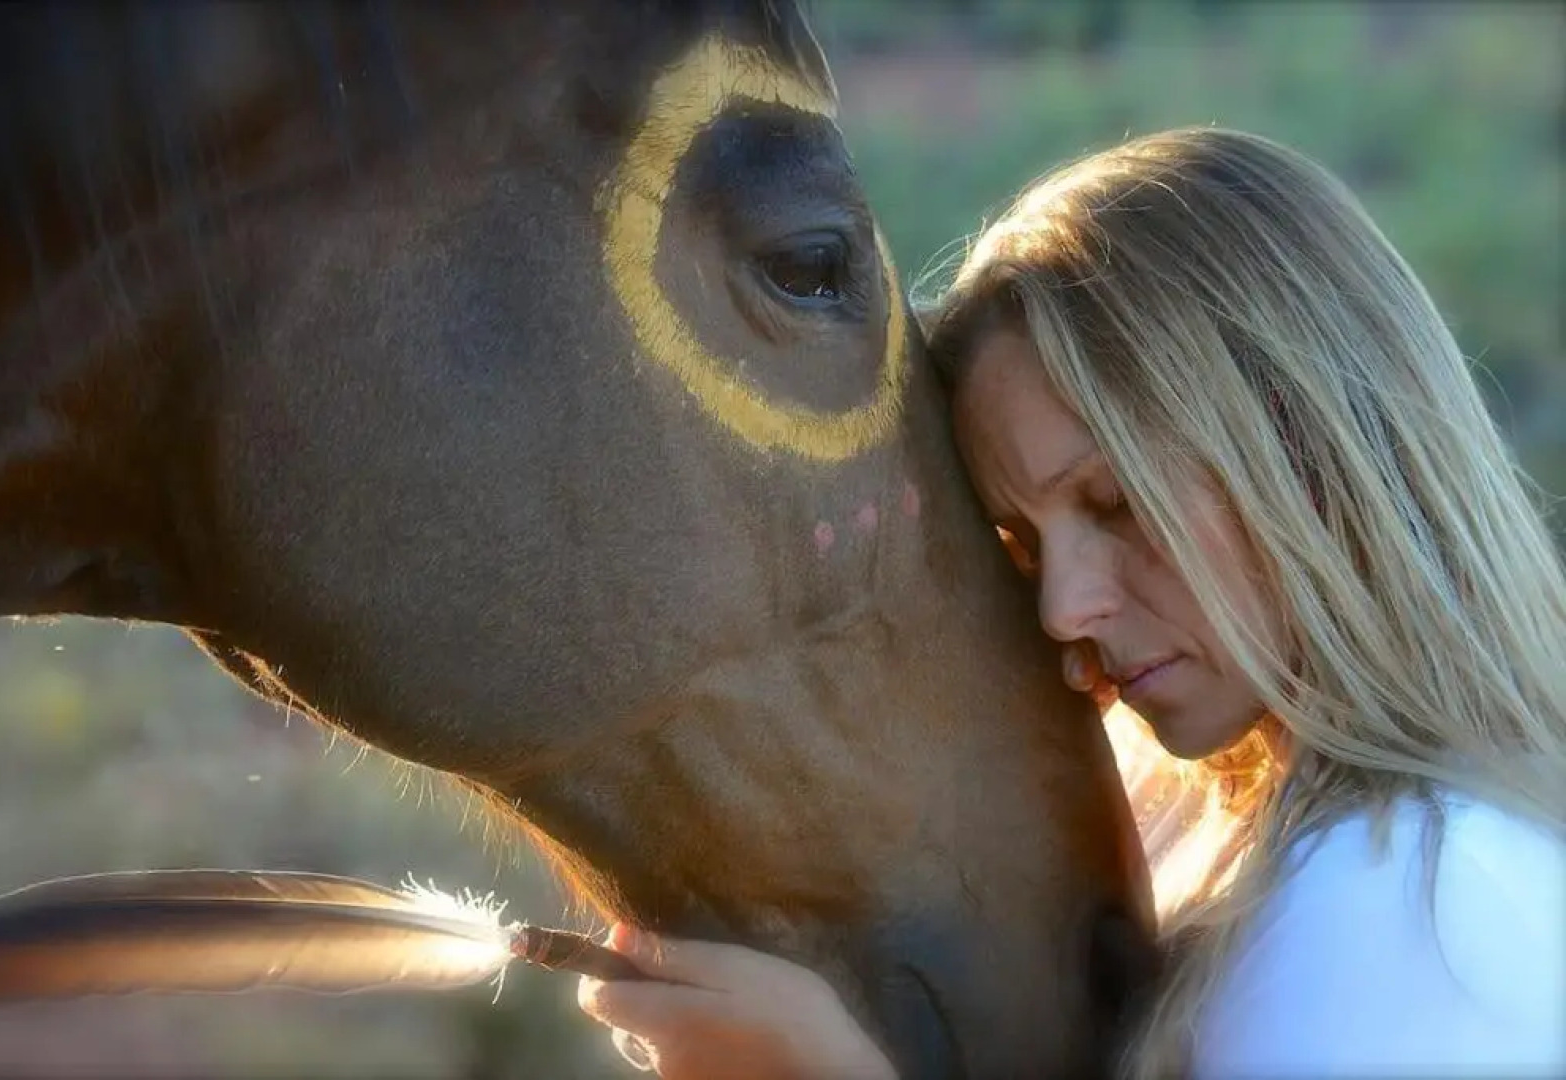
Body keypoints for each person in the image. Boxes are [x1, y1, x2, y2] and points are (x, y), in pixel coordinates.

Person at [574, 127, 1566, 1079]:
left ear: (1303, 448)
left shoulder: (1406, 900)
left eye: (1113, 502)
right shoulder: (1385, 863)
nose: (1062, 608)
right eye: (1023, 543)